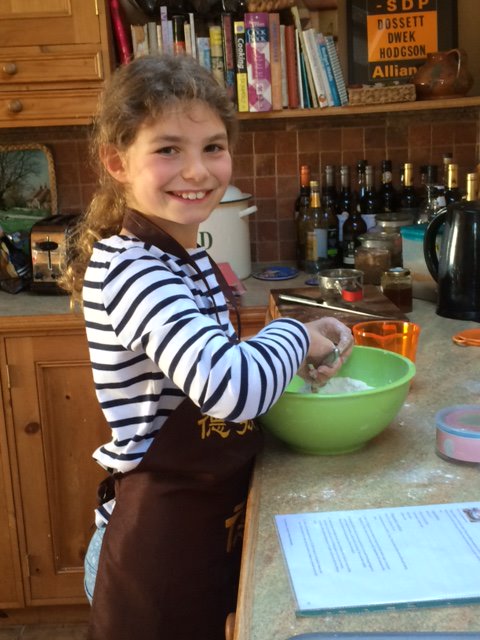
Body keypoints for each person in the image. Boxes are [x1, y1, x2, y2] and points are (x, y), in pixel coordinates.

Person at [60, 53, 353, 640]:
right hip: (153, 546)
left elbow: (201, 363)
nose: (197, 170)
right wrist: (295, 333)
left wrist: (288, 359)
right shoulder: (133, 269)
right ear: (117, 161)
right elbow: (227, 388)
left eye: (213, 147)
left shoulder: (185, 254)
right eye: (168, 149)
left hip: (197, 524)